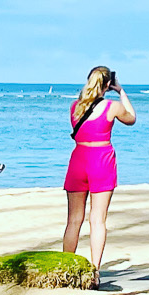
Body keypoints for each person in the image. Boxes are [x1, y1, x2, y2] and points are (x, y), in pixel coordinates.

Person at [62, 66, 136, 274]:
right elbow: (131, 118)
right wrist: (121, 90)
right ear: (107, 85)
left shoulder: (75, 107)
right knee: (98, 220)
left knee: (74, 220)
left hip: (78, 159)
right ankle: (94, 270)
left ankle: (66, 268)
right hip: (101, 160)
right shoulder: (112, 107)